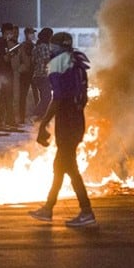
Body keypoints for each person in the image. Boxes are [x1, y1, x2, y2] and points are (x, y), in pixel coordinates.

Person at [29, 32, 96, 227]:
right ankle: (48, 209)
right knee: (60, 166)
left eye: (52, 46)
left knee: (70, 168)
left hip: (67, 121)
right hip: (76, 119)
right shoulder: (77, 62)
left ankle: (87, 212)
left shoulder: (59, 63)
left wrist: (44, 124)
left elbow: (57, 98)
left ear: (55, 46)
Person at [30, 27, 53, 120]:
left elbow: (33, 61)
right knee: (47, 97)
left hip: (37, 75)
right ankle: (36, 115)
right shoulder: (44, 46)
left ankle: (40, 117)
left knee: (44, 97)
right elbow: (47, 60)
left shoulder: (37, 46)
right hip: (43, 75)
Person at [17, 27, 37, 124]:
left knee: (35, 95)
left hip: (31, 73)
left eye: (33, 33)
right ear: (26, 34)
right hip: (26, 73)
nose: (33, 35)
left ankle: (35, 116)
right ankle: (22, 117)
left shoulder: (33, 46)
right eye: (31, 33)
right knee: (23, 96)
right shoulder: (23, 46)